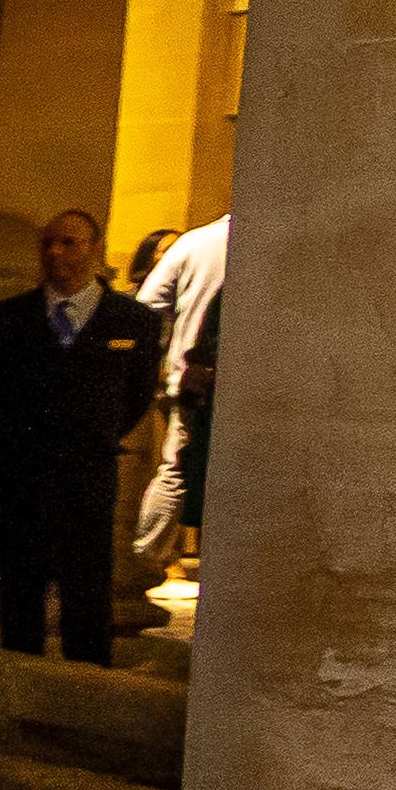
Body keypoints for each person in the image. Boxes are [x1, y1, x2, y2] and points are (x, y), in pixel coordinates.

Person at [0, 206, 165, 663]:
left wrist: (94, 433)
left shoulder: (132, 322)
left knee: (87, 580)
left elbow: (137, 394)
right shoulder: (7, 318)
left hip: (88, 470)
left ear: (94, 250)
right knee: (21, 582)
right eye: (48, 243)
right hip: (21, 471)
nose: (55, 252)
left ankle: (87, 675)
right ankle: (20, 670)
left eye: (68, 242)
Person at [136, 204, 229, 565]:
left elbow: (147, 307)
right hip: (244, 385)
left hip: (190, 379)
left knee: (176, 470)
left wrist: (163, 358)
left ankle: (148, 558)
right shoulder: (279, 243)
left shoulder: (193, 242)